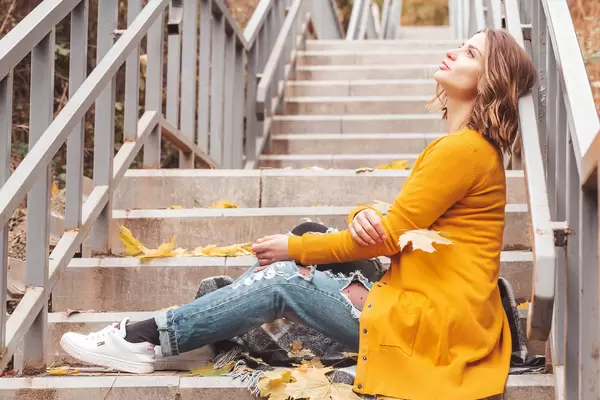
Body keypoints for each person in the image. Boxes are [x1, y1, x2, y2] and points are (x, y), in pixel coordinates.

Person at [59, 29, 536, 399]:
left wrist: (295, 250)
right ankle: (208, 331)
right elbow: (401, 221)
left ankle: (152, 338)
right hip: (429, 306)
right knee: (308, 234)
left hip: (431, 329)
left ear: (491, 81)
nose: (455, 53)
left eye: (471, 54)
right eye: (459, 45)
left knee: (285, 277)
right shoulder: (465, 150)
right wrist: (361, 214)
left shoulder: (463, 150)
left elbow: (386, 238)